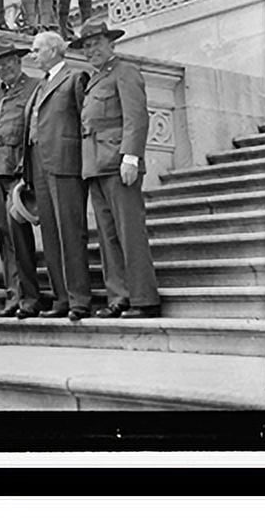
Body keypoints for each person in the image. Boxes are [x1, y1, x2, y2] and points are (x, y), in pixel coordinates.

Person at [70, 19, 160, 319]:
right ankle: (119, 296)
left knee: (129, 233)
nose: (91, 49)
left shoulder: (125, 72)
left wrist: (131, 157)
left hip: (119, 164)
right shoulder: (95, 78)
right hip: (96, 166)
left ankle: (143, 298)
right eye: (86, 45)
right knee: (108, 236)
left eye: (96, 43)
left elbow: (136, 117)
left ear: (111, 44)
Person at [23, 31, 91, 322]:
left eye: (37, 49)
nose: (33, 54)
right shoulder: (39, 86)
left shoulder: (75, 78)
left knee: (70, 231)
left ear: (53, 50)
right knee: (49, 233)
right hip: (38, 163)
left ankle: (79, 298)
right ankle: (61, 296)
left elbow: (83, 123)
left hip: (65, 163)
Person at [0, 39, 41, 319]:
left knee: (20, 236)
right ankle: (13, 295)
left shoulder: (33, 88)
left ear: (19, 61)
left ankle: (30, 296)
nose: (4, 68)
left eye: (8, 62)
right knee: (3, 235)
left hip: (17, 171)